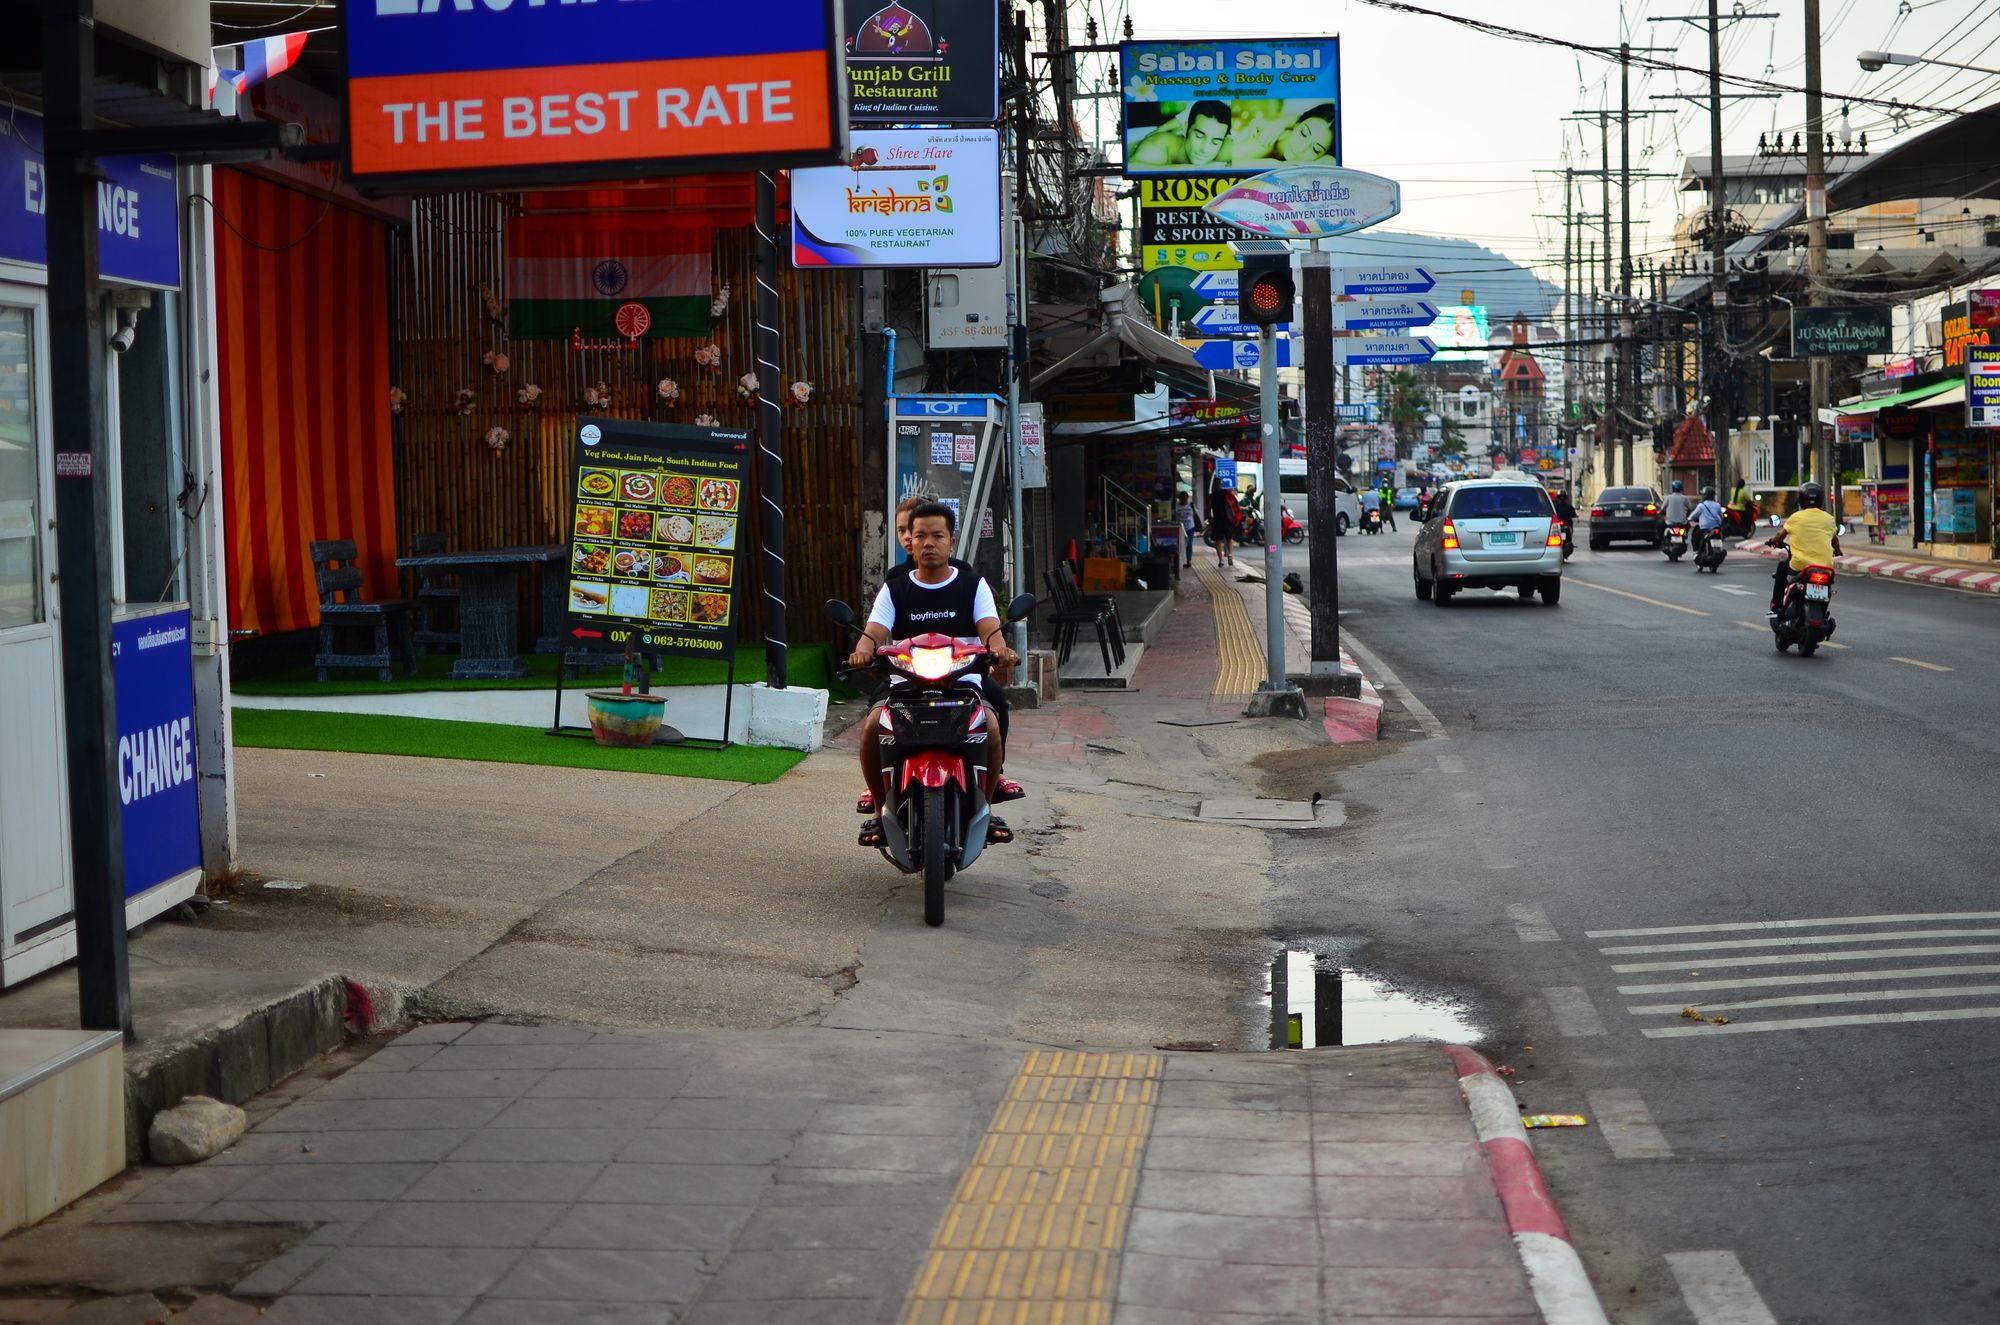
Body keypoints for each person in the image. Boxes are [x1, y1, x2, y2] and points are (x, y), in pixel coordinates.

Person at [849, 501, 1020, 847]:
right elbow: (874, 632)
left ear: (951, 541)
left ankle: (983, 812)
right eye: (920, 535)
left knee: (990, 724)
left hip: (962, 682)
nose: (929, 543)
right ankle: (881, 814)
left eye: (937, 536)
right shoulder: (895, 588)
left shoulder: (973, 585)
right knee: (871, 727)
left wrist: (1000, 649)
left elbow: (990, 630)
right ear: (908, 540)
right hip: (905, 682)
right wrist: (862, 650)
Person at [1766, 482, 1841, 617]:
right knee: (1828, 586)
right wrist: (1838, 551)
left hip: (1800, 564)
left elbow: (1781, 535)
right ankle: (1823, 613)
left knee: (1781, 567)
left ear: (1801, 500)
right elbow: (1835, 540)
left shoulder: (1796, 517)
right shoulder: (1829, 519)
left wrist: (1774, 541)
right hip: (1825, 566)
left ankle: (1776, 606)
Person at [1128, 99, 1232, 169]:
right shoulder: (1161, 144)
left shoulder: (1225, 150)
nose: (1204, 149)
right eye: (1199, 136)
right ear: (1185, 129)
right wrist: (1189, 169)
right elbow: (1132, 167)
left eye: (1215, 142)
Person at [1208, 475, 1240, 565]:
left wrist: (1210, 519)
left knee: (1218, 540)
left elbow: (1209, 509)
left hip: (1217, 520)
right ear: (1221, 484)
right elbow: (1233, 506)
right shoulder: (1227, 494)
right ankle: (1230, 554)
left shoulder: (1212, 496)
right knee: (1229, 538)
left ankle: (1221, 560)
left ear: (1214, 485)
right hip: (1227, 520)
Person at [1172, 489, 1201, 567]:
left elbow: (1196, 515)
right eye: (1182, 498)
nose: (1184, 500)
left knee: (1189, 544)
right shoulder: (1176, 506)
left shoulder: (1191, 505)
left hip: (1190, 527)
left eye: (1185, 498)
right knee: (1180, 544)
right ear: (1179, 498)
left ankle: (1188, 560)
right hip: (1180, 528)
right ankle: (1180, 559)